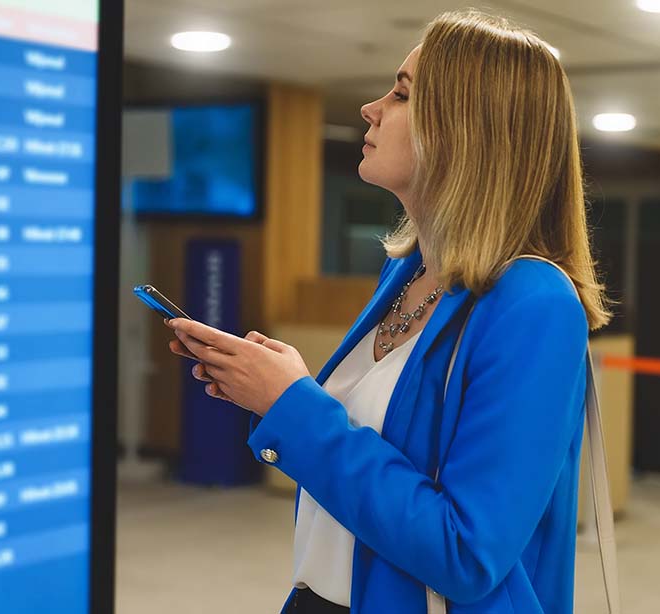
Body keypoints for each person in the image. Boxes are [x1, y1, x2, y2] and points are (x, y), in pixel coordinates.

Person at [165, 8, 611, 614]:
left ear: (467, 128)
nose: (370, 108)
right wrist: (272, 389)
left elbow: (466, 552)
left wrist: (293, 406)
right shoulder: (407, 273)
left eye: (401, 93)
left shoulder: (534, 305)